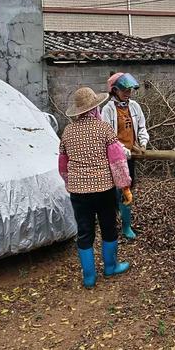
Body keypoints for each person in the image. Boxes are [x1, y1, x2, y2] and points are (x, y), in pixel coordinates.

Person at [59, 87, 133, 289]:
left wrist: (70, 183)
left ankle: (89, 277)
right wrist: (125, 187)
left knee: (84, 232)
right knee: (108, 227)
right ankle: (110, 267)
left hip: (78, 192)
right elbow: (117, 163)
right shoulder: (104, 129)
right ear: (95, 108)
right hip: (103, 189)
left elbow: (63, 165)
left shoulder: (67, 132)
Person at [102, 73, 149, 240]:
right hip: (115, 158)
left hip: (131, 157)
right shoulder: (108, 109)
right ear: (115, 90)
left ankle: (126, 224)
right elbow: (109, 136)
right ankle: (116, 224)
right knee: (117, 191)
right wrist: (123, 150)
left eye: (130, 89)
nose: (128, 92)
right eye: (124, 90)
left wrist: (143, 143)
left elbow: (142, 126)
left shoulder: (134, 106)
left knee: (128, 189)